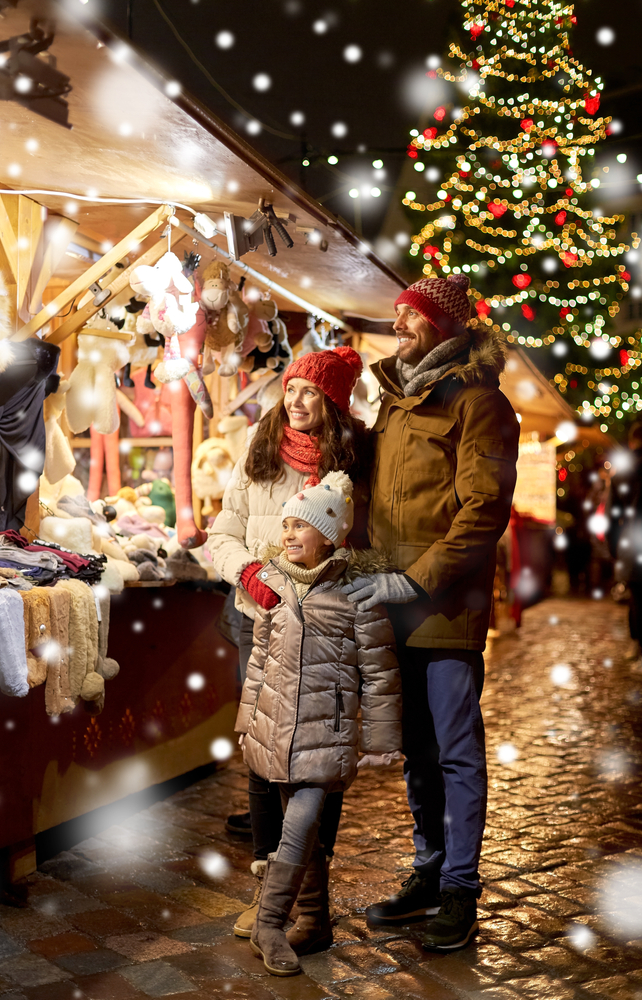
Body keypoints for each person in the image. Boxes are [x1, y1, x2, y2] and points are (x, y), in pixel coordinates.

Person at [345, 273, 519, 951]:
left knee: (453, 751)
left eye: (410, 316)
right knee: (413, 748)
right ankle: (425, 870)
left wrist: (413, 582)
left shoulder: (478, 402)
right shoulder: (394, 399)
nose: (398, 325)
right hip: (389, 600)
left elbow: (483, 511)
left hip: (444, 606)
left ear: (443, 326)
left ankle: (459, 888)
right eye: (395, 314)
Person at [208, 346, 372, 943]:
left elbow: (357, 544)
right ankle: (265, 885)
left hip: (321, 630)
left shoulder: (348, 462)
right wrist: (247, 570)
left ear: (331, 404)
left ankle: (307, 901)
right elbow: (222, 528)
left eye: (311, 392)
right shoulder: (259, 445)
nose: (297, 400)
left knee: (315, 764)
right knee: (261, 753)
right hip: (256, 621)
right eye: (293, 387)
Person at [235, 471, 402, 976]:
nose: (287, 533)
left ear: (329, 536)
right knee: (300, 835)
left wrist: (379, 739)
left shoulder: (356, 596)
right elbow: (260, 660)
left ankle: (269, 923)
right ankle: (315, 918)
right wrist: (248, 721)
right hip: (275, 733)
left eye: (299, 526)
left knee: (303, 822)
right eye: (285, 524)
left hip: (323, 735)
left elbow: (379, 672)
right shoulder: (275, 589)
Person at [608, 421, 642, 658]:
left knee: (637, 595)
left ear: (631, 443)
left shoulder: (622, 475)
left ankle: (637, 641)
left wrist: (614, 549)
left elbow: (613, 518)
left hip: (632, 543)